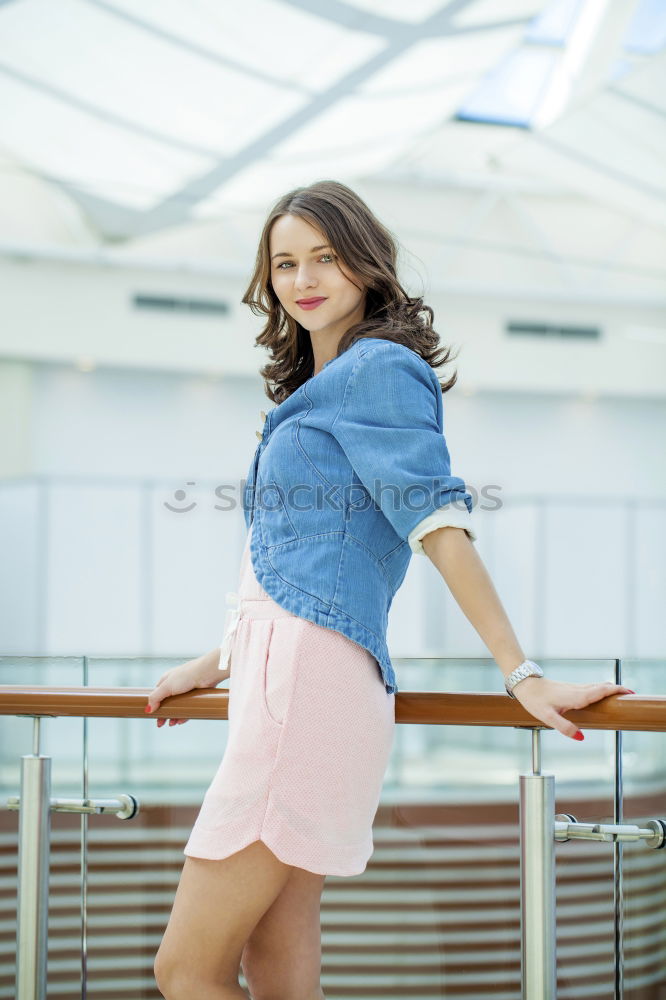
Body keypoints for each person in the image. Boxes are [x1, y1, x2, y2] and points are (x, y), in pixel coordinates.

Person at [145, 180, 634, 1000]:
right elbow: (305, 560)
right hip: (290, 677)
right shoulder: (324, 381)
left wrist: (521, 672)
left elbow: (437, 524)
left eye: (326, 258)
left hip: (302, 687)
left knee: (184, 968)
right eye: (286, 263)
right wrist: (219, 657)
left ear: (367, 264)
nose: (304, 279)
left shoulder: (379, 370)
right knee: (274, 957)